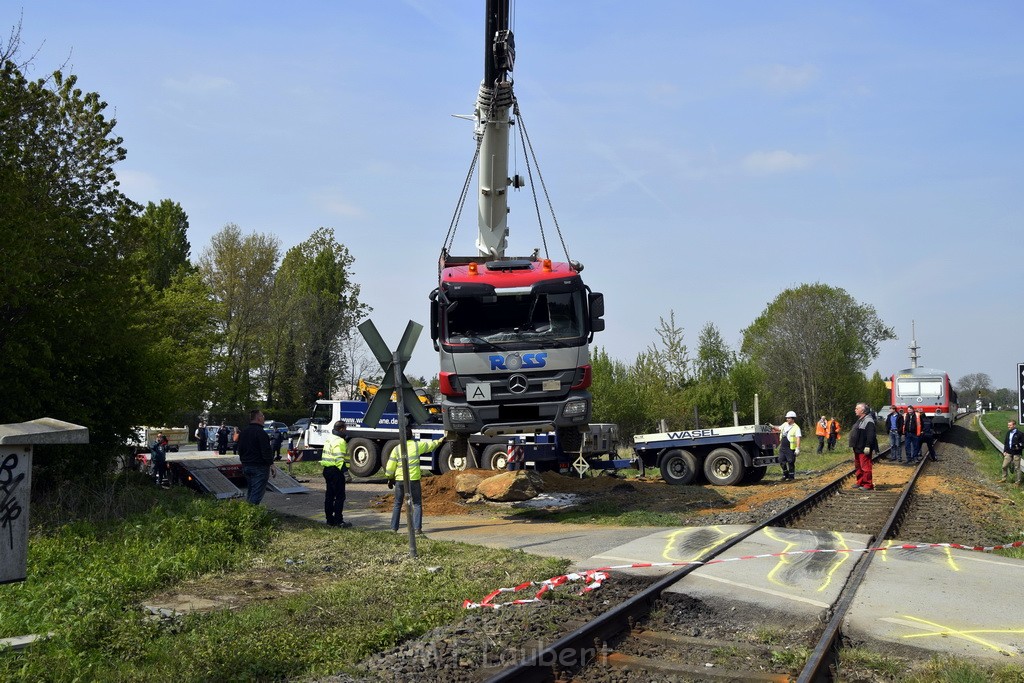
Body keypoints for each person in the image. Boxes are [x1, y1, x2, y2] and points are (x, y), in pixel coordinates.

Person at [385, 425, 446, 534]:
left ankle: (394, 529)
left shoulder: (397, 449)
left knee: (397, 504)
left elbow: (390, 467)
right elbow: (431, 445)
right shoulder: (417, 446)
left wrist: (390, 479)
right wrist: (440, 440)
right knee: (417, 503)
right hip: (413, 479)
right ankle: (417, 529)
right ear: (412, 435)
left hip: (400, 480)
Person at [237, 409, 275, 505]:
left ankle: (247, 511)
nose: (264, 418)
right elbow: (266, 450)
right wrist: (271, 464)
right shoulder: (261, 433)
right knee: (257, 493)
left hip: (246, 466)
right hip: (259, 466)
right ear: (258, 418)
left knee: (251, 490)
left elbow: (240, 449)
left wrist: (244, 461)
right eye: (262, 416)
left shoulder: (244, 432)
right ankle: (250, 514)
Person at [321, 420, 352, 527]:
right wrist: (345, 473)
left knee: (329, 496)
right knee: (340, 497)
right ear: (342, 429)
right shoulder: (339, 441)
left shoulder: (330, 439)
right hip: (336, 471)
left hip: (327, 470)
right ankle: (339, 520)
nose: (346, 431)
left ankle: (330, 520)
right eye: (346, 429)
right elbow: (339, 458)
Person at [849, 402, 878, 490]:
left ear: (862, 410)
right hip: (857, 447)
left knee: (865, 467)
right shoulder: (861, 419)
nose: (855, 410)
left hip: (863, 448)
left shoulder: (868, 420)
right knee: (858, 467)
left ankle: (868, 484)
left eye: (857, 408)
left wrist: (868, 446)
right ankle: (860, 482)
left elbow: (871, 435)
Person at [776, 411, 801, 481]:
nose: (787, 419)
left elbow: (798, 438)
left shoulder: (796, 427)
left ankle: (791, 476)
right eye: (787, 418)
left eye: (788, 418)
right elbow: (778, 428)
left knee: (790, 461)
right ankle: (785, 474)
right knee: (781, 460)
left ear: (793, 419)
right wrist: (771, 426)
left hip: (790, 448)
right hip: (782, 447)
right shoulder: (784, 424)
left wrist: (798, 448)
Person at [999, 419, 1023, 485]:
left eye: (1010, 425)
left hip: (1016, 453)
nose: (1008, 426)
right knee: (1004, 466)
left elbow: (1023, 443)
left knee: (1017, 468)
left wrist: (1018, 446)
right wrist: (1004, 451)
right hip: (1008, 452)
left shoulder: (1020, 434)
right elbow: (1006, 443)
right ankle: (1004, 479)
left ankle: (1017, 482)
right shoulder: (1008, 433)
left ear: (1014, 425)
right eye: (1008, 425)